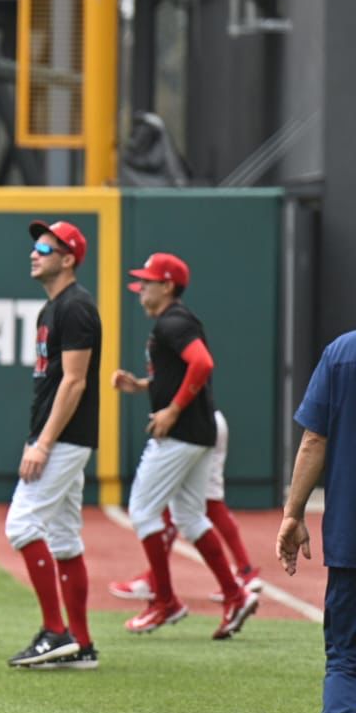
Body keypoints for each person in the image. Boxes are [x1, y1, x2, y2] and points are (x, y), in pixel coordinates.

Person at [114, 252, 258, 639]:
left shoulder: (173, 321)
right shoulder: (175, 321)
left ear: (167, 285)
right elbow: (180, 370)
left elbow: (203, 364)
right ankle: (234, 594)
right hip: (197, 433)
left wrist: (172, 411)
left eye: (147, 281)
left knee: (143, 511)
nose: (140, 288)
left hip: (181, 434)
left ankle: (164, 601)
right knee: (192, 518)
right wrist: (142, 387)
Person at [1, 221, 101, 670]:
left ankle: (54, 631)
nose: (35, 252)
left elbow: (75, 382)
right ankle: (80, 643)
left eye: (46, 246)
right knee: (63, 539)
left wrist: (42, 443)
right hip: (58, 435)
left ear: (69, 258)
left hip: (62, 438)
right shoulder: (54, 308)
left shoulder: (76, 307)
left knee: (21, 526)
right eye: (35, 245)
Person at [279, 331, 356, 713]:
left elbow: (314, 438)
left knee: (346, 660)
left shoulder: (342, 351)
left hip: (351, 542)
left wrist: (293, 513)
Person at [107, 409, 264, 603]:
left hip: (189, 423)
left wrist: (169, 409)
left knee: (169, 506)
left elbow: (189, 380)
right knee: (203, 503)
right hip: (200, 420)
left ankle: (156, 582)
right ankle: (243, 571)